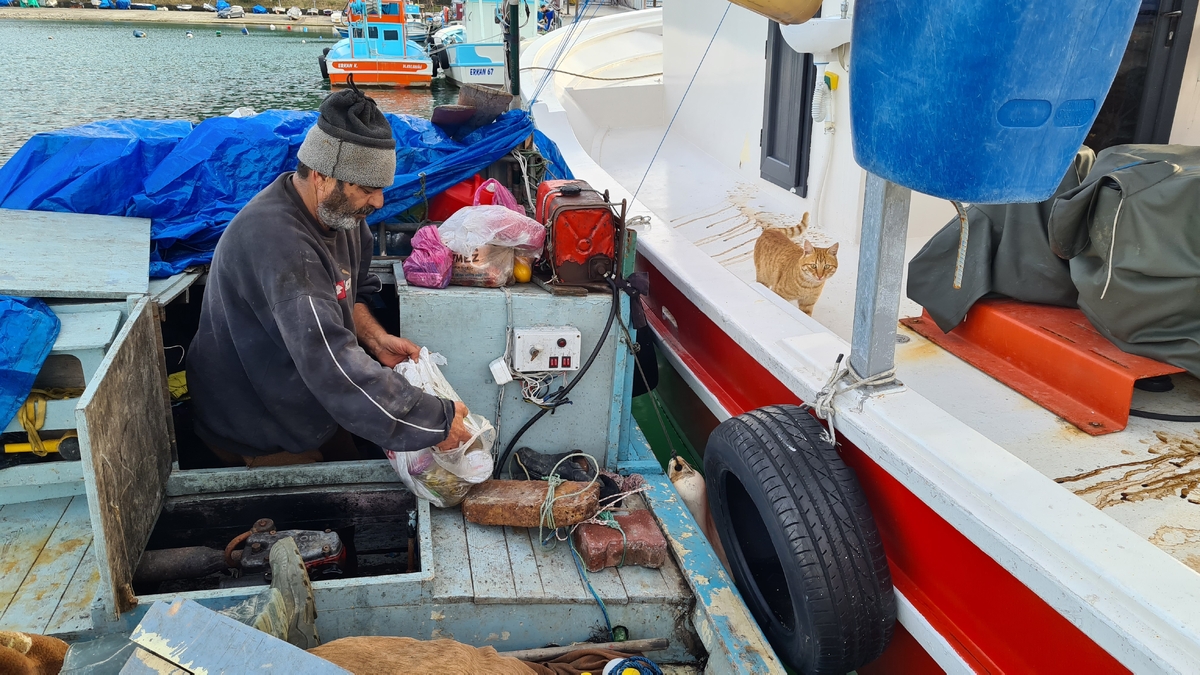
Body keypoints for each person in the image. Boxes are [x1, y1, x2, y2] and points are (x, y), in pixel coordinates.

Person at [186, 84, 471, 468]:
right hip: (256, 422)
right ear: (321, 176)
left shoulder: (344, 216)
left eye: (381, 189)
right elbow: (330, 361)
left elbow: (351, 292)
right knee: (317, 523)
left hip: (308, 401)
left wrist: (374, 337)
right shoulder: (281, 244)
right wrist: (435, 420)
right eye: (368, 189)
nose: (379, 203)